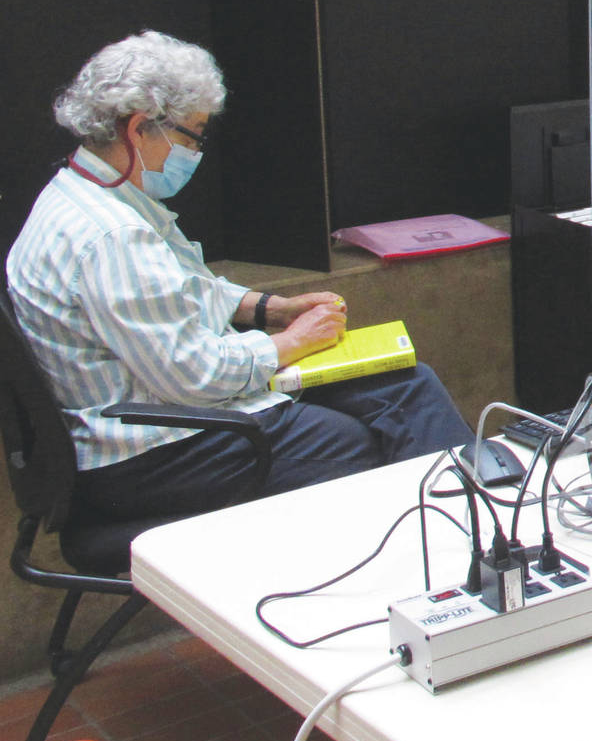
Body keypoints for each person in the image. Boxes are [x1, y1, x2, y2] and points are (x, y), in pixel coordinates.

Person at [5, 31, 477, 521]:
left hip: (157, 417)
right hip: (151, 452)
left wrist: (268, 309)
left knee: (405, 385)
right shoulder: (111, 235)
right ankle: (460, 544)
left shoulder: (85, 193)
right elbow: (197, 375)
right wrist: (293, 341)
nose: (197, 151)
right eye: (192, 134)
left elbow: (176, 289)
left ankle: (476, 528)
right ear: (141, 127)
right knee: (359, 444)